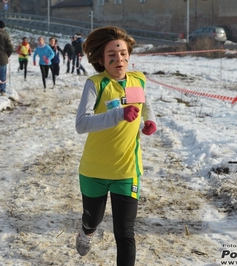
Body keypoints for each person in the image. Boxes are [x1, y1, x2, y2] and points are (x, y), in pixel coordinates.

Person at [74, 26, 157, 266]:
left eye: (122, 53)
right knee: (93, 220)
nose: (118, 59)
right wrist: (118, 115)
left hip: (127, 171)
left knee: (125, 233)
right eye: (111, 55)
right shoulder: (96, 84)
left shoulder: (136, 80)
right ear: (101, 59)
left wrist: (150, 120)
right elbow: (81, 124)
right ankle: (86, 232)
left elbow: (144, 103)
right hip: (94, 171)